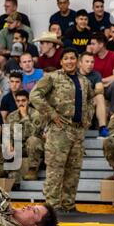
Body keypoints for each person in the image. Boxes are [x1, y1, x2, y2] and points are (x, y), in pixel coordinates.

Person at [30, 48, 94, 213]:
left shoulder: (84, 81)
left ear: (77, 60)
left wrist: (87, 120)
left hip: (78, 131)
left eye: (72, 58)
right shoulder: (52, 77)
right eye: (66, 58)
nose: (69, 61)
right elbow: (35, 95)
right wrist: (51, 114)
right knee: (55, 169)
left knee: (74, 170)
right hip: (59, 130)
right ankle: (52, 206)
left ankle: (68, 204)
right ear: (61, 61)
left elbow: (91, 100)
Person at [7, 90, 44, 181]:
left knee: (33, 140)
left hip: (33, 147)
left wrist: (25, 117)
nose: (21, 103)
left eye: (23, 100)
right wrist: (9, 143)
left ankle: (32, 169)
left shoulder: (36, 114)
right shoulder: (11, 116)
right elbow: (8, 133)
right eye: (18, 101)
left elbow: (34, 133)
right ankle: (9, 172)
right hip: (18, 146)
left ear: (28, 101)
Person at [90, 32, 114, 114]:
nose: (91, 46)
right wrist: (99, 83)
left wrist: (100, 80)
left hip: (108, 87)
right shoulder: (90, 58)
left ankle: (113, 113)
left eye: (93, 44)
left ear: (101, 44)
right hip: (95, 88)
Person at [78, 52, 109, 138]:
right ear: (80, 63)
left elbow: (100, 89)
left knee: (99, 97)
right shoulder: (74, 74)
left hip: (88, 102)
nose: (90, 64)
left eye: (92, 62)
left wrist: (86, 93)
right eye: (87, 61)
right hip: (74, 103)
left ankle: (102, 128)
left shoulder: (96, 75)